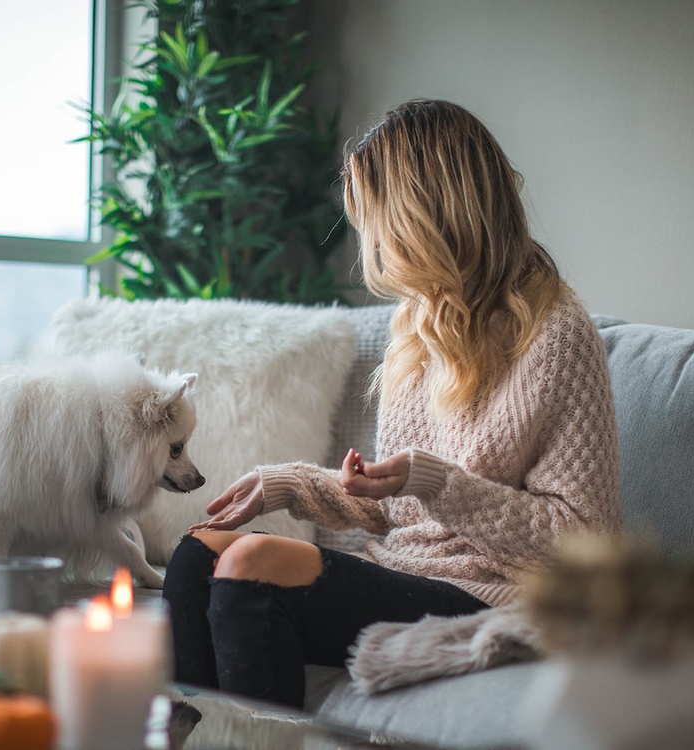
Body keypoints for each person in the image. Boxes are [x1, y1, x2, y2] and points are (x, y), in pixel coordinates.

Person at [161, 99, 622, 709]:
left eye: (375, 216)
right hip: (403, 570)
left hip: (496, 594)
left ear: (425, 214)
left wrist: (439, 484)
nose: (370, 239)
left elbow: (584, 541)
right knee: (197, 555)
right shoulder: (418, 323)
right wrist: (290, 484)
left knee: (252, 565)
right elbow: (397, 508)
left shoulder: (556, 334)